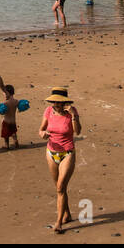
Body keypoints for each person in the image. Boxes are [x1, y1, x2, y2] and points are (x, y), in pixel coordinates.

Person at [39, 88, 81, 233]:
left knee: (60, 187)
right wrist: (43, 134)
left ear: (64, 102)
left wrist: (74, 116)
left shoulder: (72, 112)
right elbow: (41, 129)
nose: (56, 104)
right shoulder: (48, 111)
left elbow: (78, 131)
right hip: (51, 153)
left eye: (58, 102)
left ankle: (59, 222)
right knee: (60, 188)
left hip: (67, 153)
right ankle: (67, 214)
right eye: (54, 102)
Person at [0, 84, 21, 149]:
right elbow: (21, 106)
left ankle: (6, 145)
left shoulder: (5, 103)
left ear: (8, 93)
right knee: (13, 133)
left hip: (6, 122)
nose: (3, 94)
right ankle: (16, 142)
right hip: (13, 121)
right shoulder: (16, 101)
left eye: (4, 93)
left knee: (6, 135)